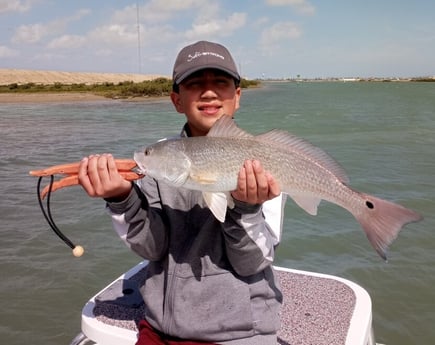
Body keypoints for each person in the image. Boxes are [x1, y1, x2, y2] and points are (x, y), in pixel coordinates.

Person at [78, 40, 286, 345]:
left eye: (220, 82)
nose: (209, 91)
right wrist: (122, 198)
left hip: (241, 333)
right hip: (161, 327)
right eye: (195, 84)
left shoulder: (260, 164)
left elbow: (253, 263)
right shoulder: (160, 159)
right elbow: (153, 248)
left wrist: (246, 207)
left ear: (237, 96)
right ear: (177, 100)